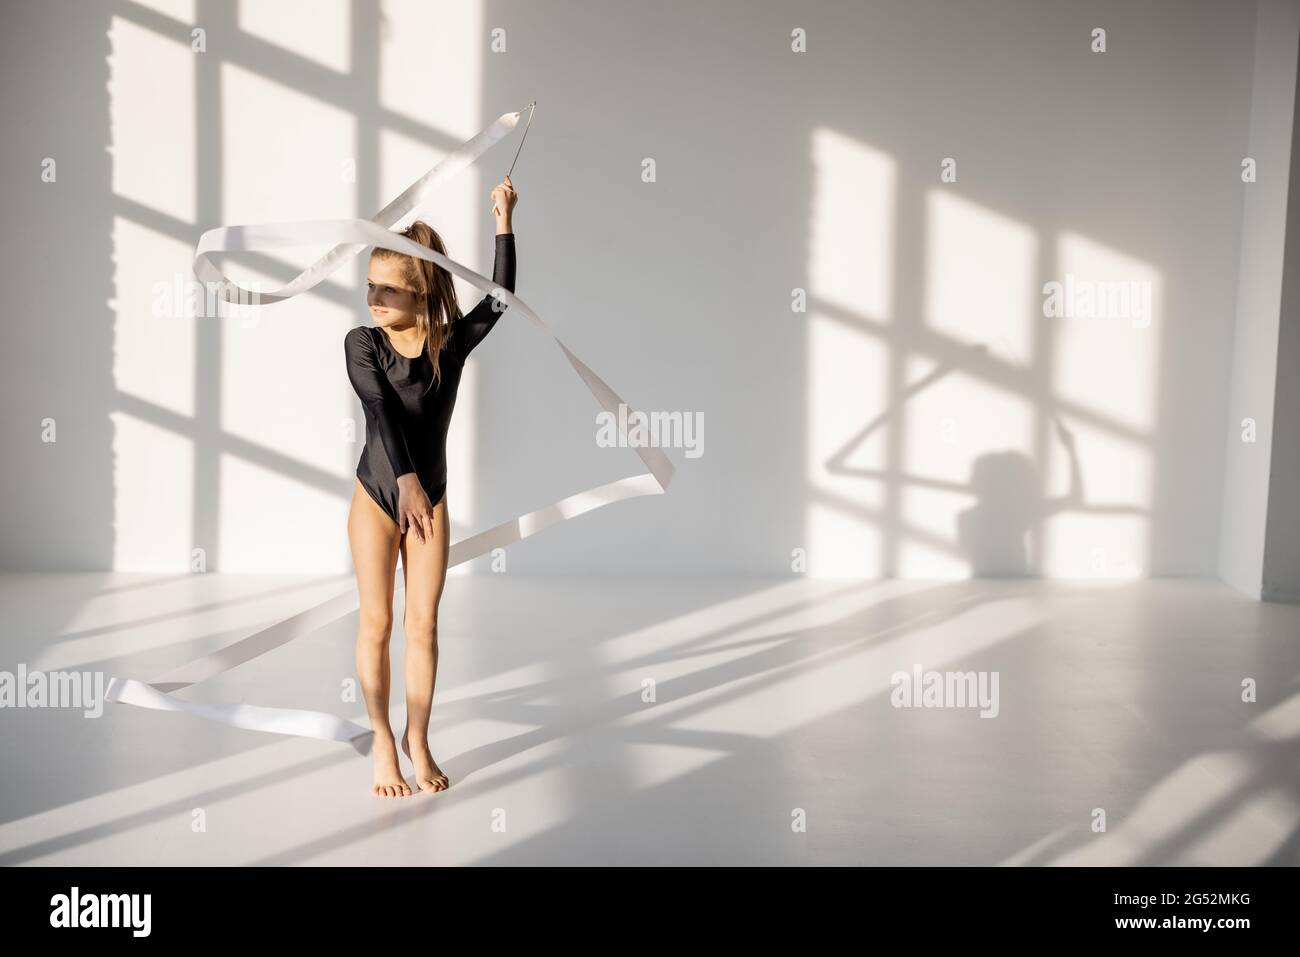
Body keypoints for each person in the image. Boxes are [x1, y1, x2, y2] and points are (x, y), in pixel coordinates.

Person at [343, 175, 518, 796]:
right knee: (379, 623)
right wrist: (408, 485)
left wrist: (503, 219)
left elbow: (499, 300)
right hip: (380, 496)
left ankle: (418, 736)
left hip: (431, 499)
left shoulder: (448, 344)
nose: (374, 297)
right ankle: (381, 740)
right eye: (370, 285)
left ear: (422, 293)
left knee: (424, 626)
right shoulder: (362, 344)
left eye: (389, 288)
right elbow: (380, 413)